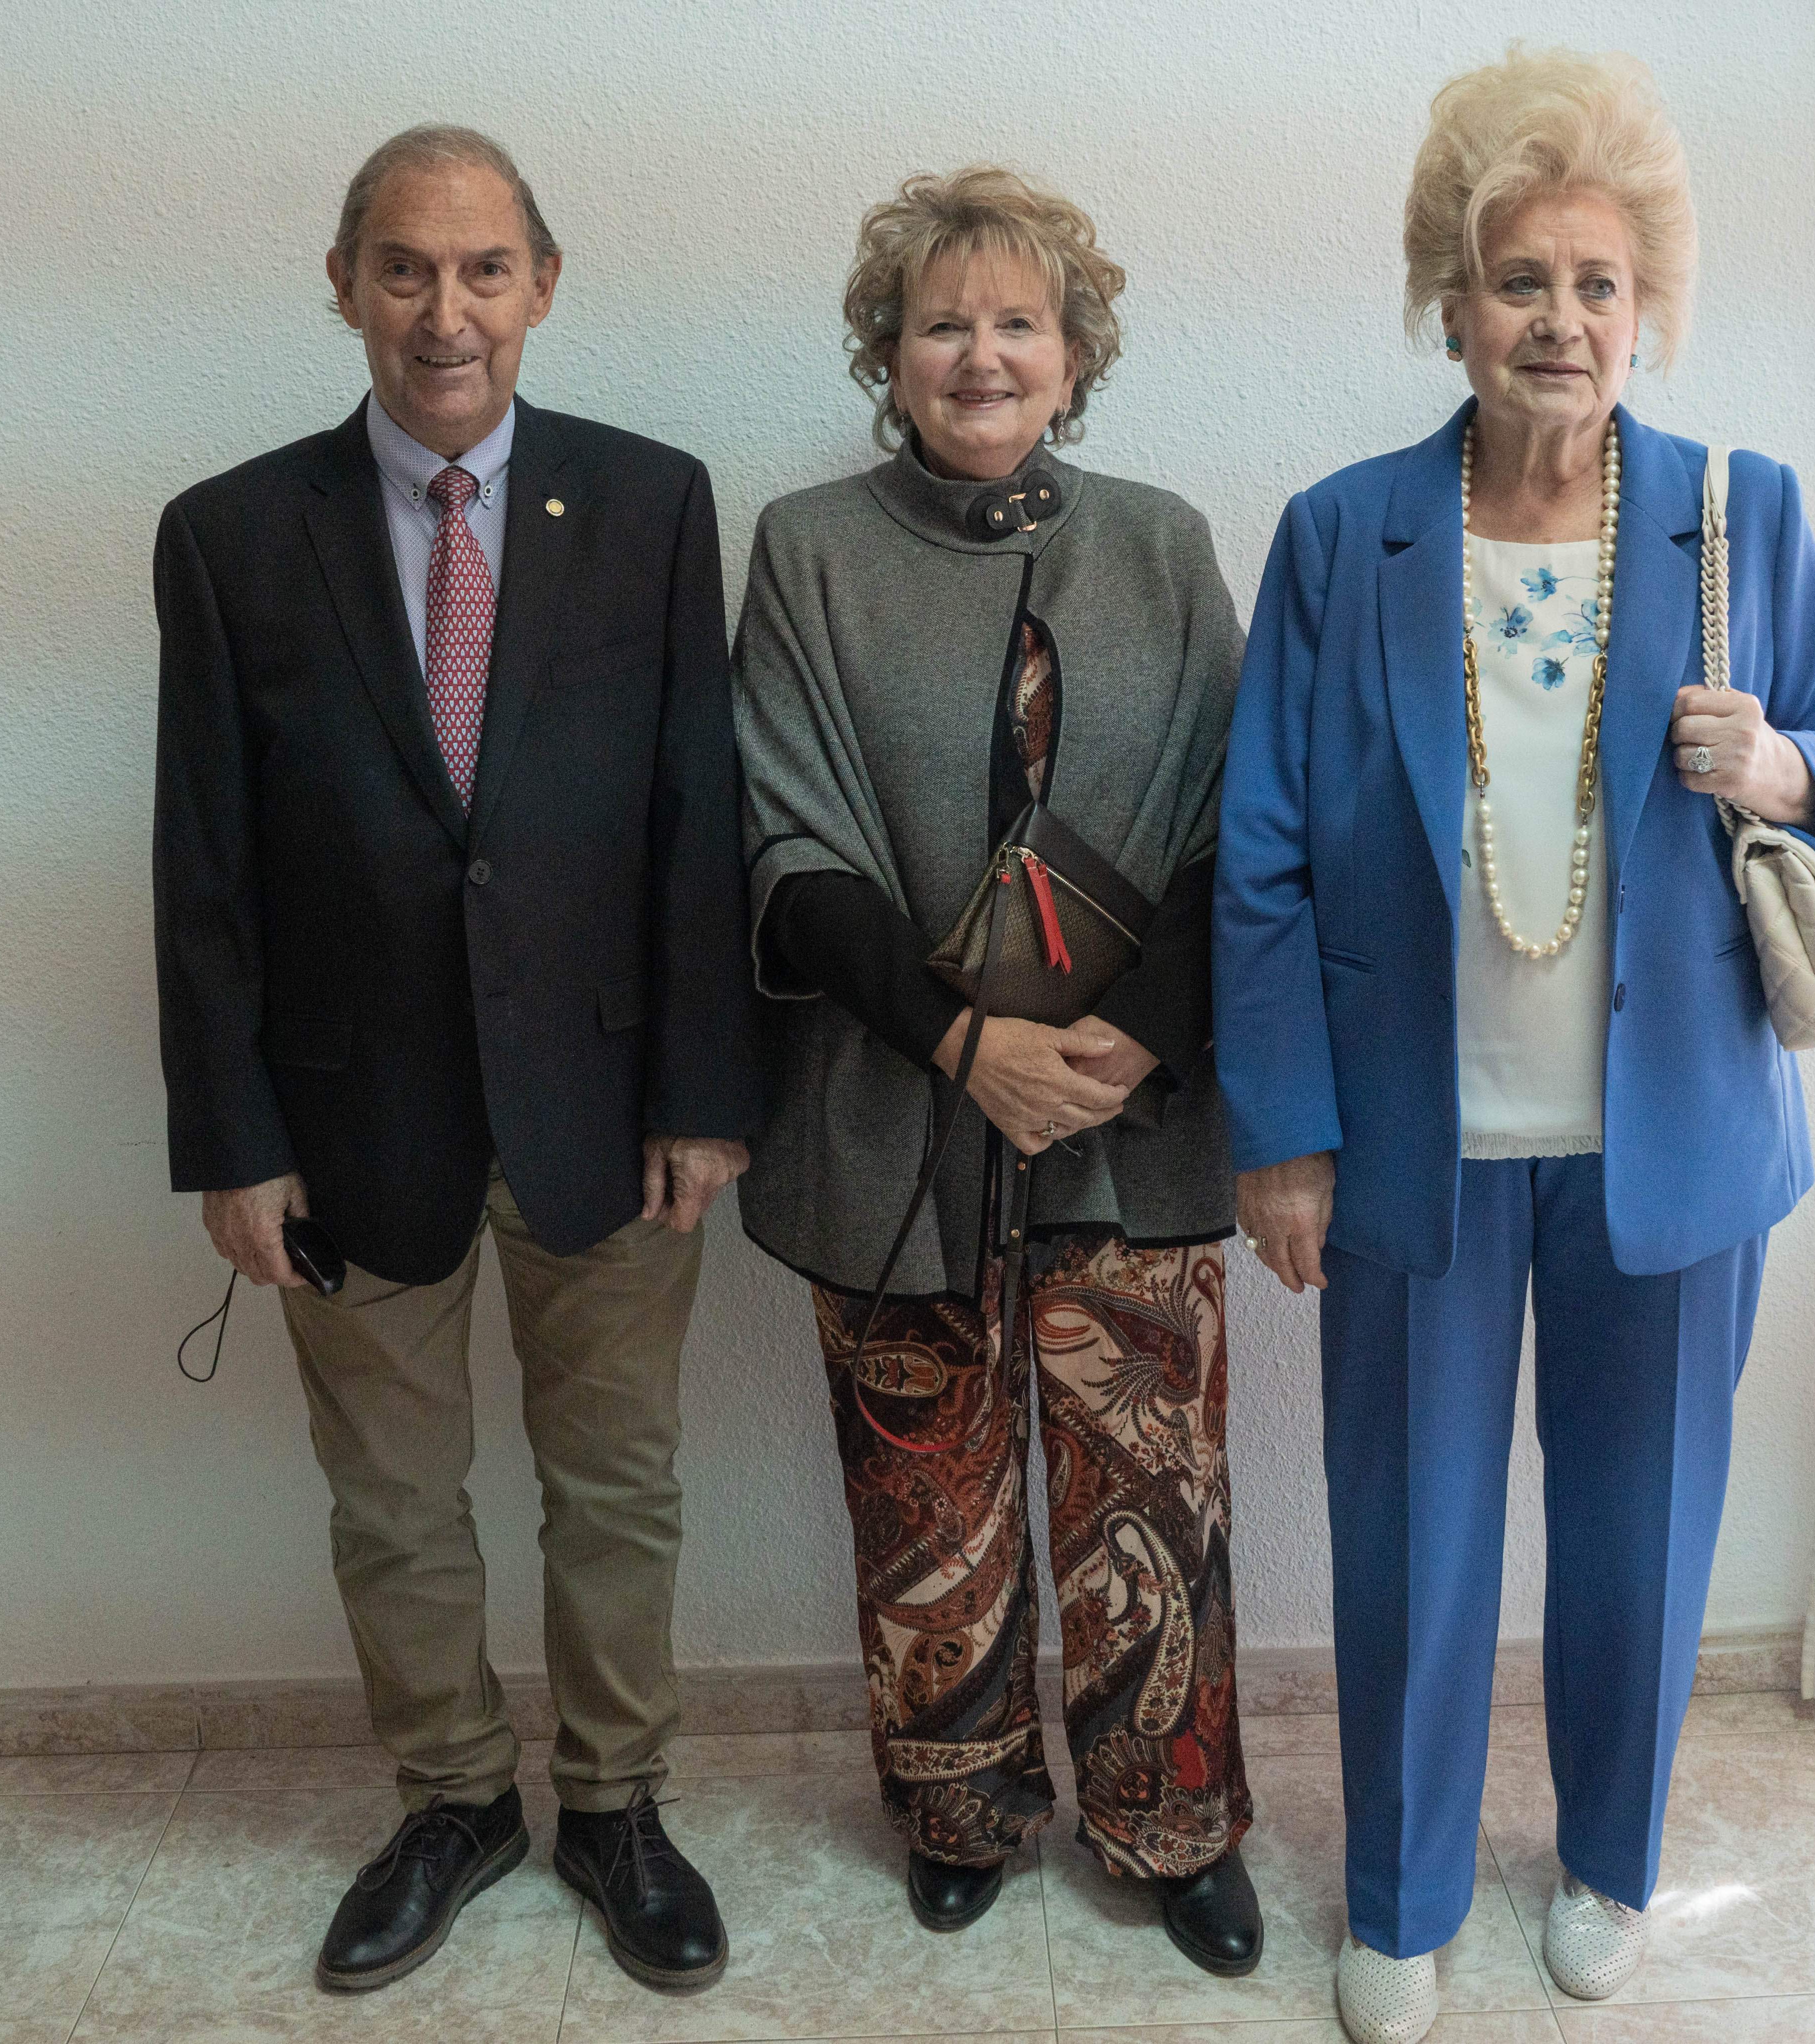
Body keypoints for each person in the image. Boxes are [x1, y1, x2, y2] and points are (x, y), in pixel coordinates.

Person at [1212, 50, 1815, 2044]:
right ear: (1450, 299)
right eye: (1522, 279)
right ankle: (1408, 1892)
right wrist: (1282, 1130)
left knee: (1636, 1524)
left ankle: (1609, 1858)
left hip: (1670, 1140)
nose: (1562, 322)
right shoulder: (1347, 540)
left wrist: (1781, 758)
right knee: (1412, 1538)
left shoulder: (1732, 513)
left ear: (1647, 309)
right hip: (1420, 1143)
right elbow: (1259, 847)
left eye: (1600, 285)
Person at [151, 124, 763, 2000]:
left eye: (483, 268)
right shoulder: (233, 533)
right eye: (403, 268)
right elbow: (204, 859)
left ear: (543, 287)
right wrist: (230, 1142)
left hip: (607, 1106)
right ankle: (450, 1801)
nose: (445, 311)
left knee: (618, 1482)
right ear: (343, 285)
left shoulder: (652, 503)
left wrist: (705, 1096)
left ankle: (614, 1806)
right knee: (395, 1501)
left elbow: (693, 819)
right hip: (349, 1124)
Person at [732, 166, 1263, 1974]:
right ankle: (960, 1810)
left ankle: (1170, 1820)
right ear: (887, 354)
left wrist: (1133, 1033)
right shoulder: (806, 549)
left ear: (1073, 350)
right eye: (941, 322)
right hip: (898, 1111)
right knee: (923, 1496)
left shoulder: (1166, 543)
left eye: (1017, 320)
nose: (981, 354)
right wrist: (966, 1043)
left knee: (1152, 1491)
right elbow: (788, 853)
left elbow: (1232, 829)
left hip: (1132, 1108)